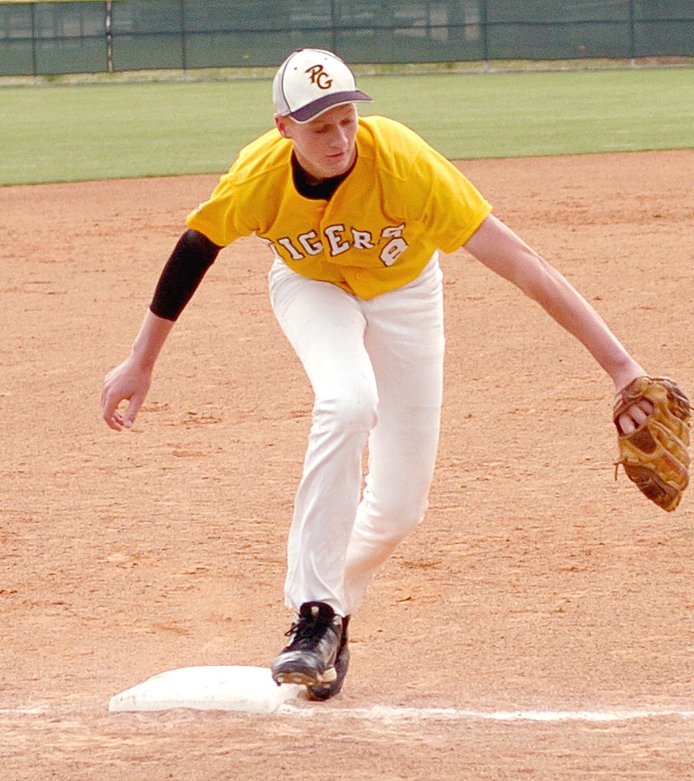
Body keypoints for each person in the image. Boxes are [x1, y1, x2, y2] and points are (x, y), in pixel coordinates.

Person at [101, 48, 652, 701]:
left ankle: (333, 617)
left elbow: (523, 263)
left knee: (398, 507)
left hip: (404, 294)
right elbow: (196, 248)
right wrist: (141, 359)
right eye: (318, 127)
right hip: (311, 288)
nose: (337, 139)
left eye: (345, 120)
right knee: (347, 399)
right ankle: (311, 617)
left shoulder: (405, 165)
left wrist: (621, 366)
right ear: (284, 129)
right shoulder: (259, 176)